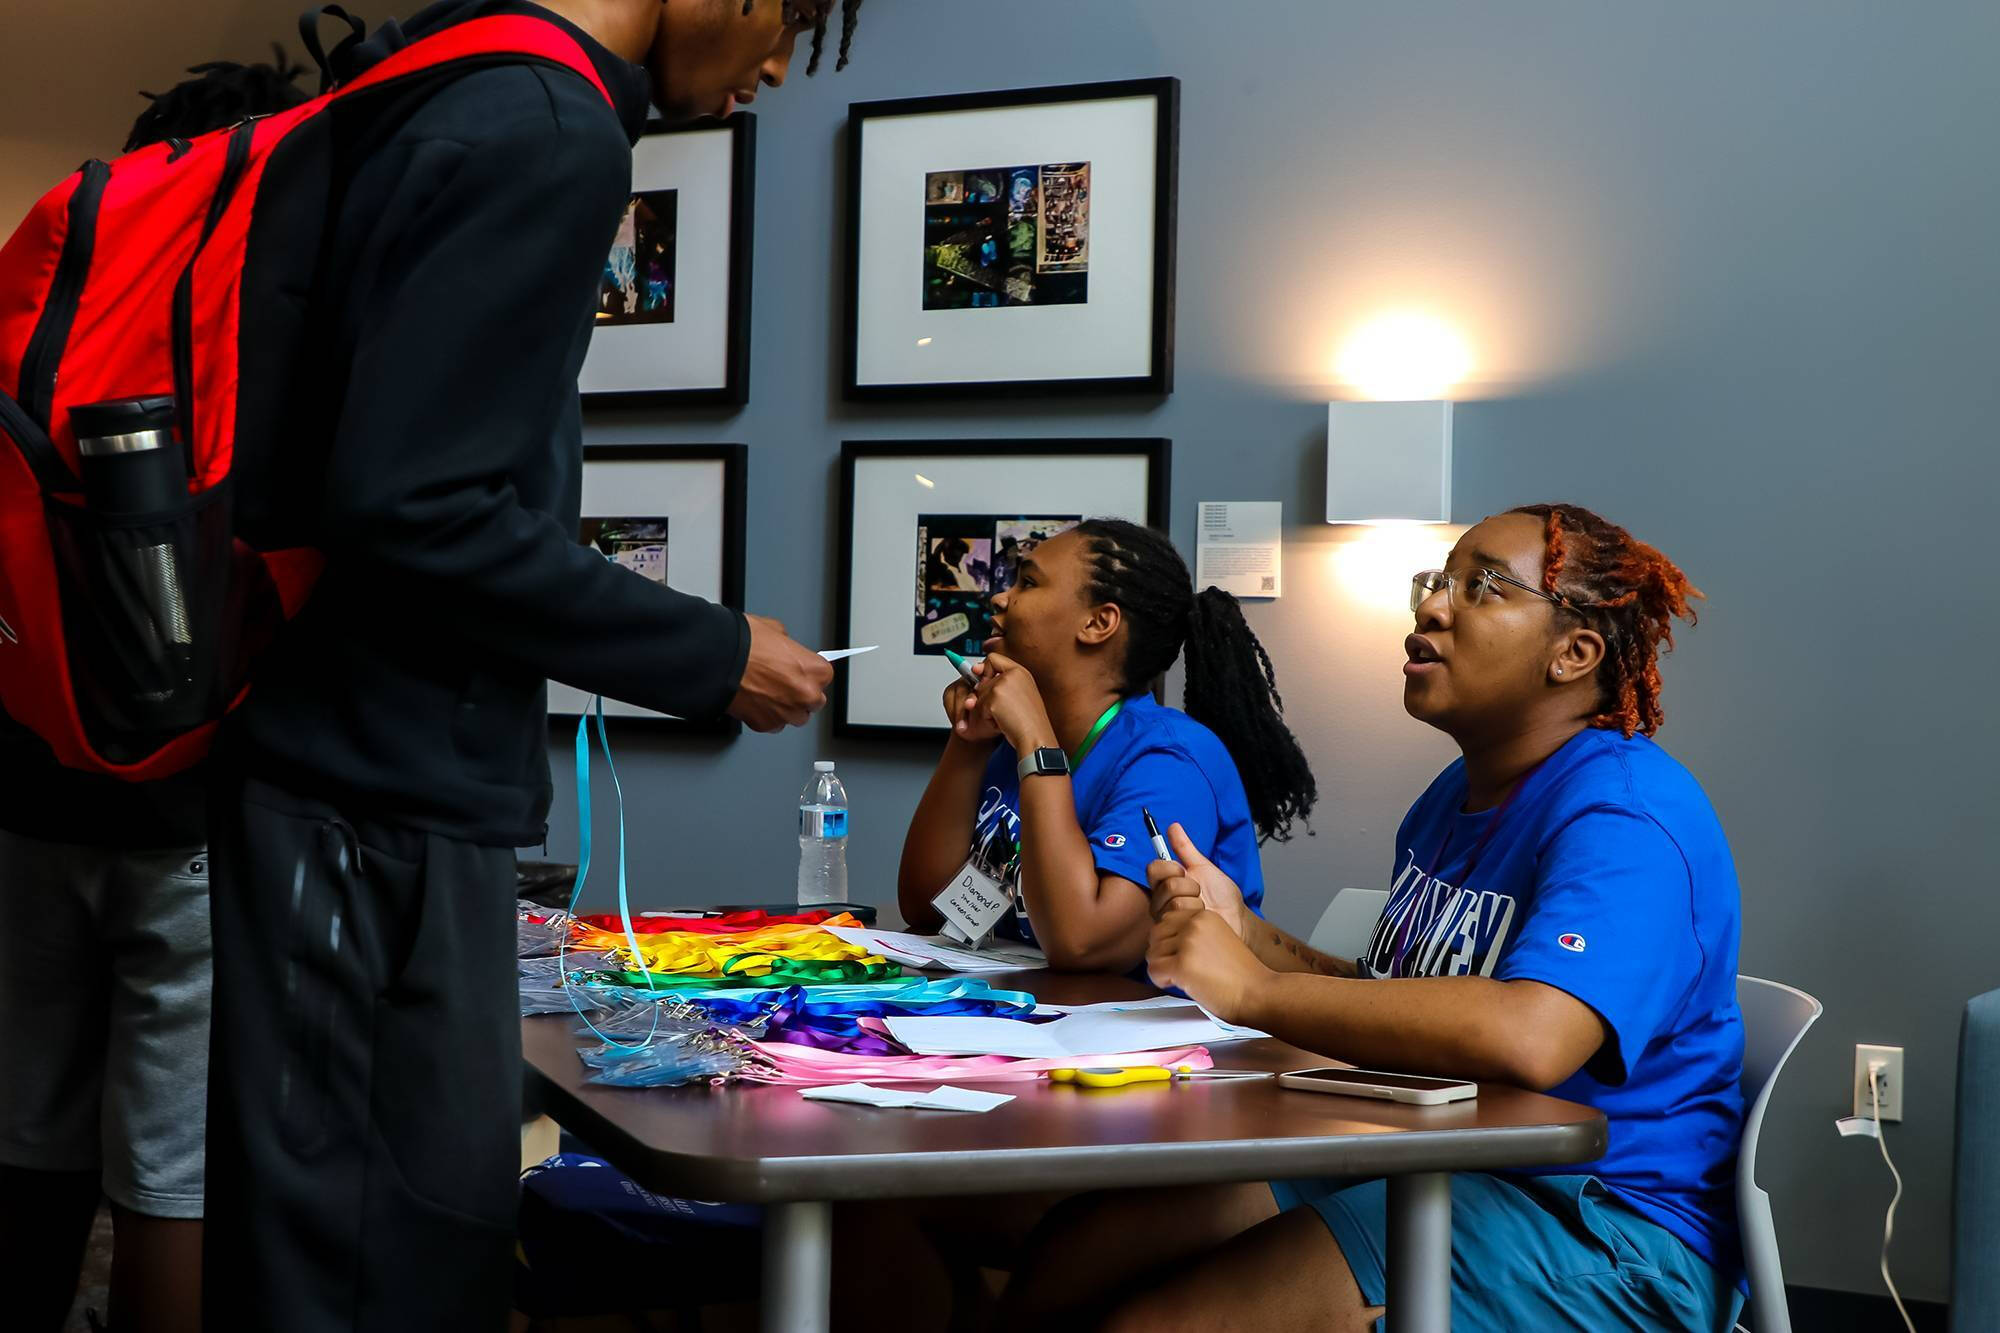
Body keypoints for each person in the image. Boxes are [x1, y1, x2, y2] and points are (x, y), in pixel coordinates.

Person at [199, 3, 861, 1330]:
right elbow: (415, 504)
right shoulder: (552, 126)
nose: (779, 62)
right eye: (790, 18)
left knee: (373, 1247)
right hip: (374, 804)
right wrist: (716, 652)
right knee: (379, 1266)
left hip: (345, 784)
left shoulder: (444, 81)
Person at [999, 503, 1747, 1331]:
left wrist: (1248, 989)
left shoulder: (1626, 817)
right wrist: (1248, 936)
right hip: (1443, 1152)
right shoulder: (1451, 800)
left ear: (1574, 653)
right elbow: (1401, 994)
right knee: (1074, 1254)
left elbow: (1530, 1035)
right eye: (1437, 582)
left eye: (1483, 588)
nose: (1430, 606)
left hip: (1603, 1226)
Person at [0, 51, 310, 1333]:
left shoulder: (73, 271)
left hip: (29, 777)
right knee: (170, 1182)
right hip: (193, 802)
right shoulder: (257, 283)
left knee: (25, 1143)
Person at [897, 519, 1316, 972]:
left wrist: (1036, 740)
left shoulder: (1169, 760)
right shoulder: (1010, 746)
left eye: (1029, 582)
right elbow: (926, 909)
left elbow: (1085, 944)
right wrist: (968, 745)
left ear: (1098, 623)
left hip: (1161, 1035)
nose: (1000, 597)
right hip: (1031, 1020)